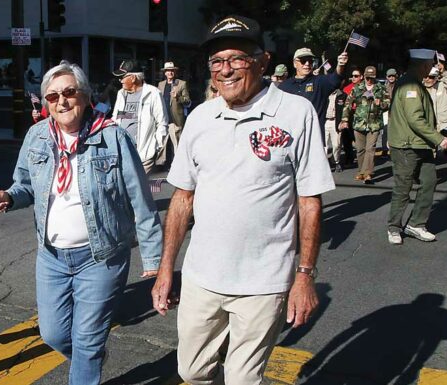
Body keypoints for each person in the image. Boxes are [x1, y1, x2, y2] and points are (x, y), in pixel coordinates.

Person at [151, 15, 335, 385]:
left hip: (264, 281)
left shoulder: (295, 113)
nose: (226, 70)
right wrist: (165, 268)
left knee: (242, 379)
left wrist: (305, 276)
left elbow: (309, 202)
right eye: (217, 62)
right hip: (202, 277)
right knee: (191, 370)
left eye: (237, 59)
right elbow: (182, 199)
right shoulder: (201, 118)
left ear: (262, 61)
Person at [0, 60, 162, 384]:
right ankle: (91, 356)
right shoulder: (37, 136)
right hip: (51, 256)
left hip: (102, 257)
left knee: (87, 338)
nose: (61, 101)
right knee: (53, 334)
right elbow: (24, 184)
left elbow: (141, 198)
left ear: (84, 95)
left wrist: (153, 257)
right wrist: (9, 197)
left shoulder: (112, 137)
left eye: (68, 92)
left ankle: (89, 358)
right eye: (52, 96)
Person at [387, 49, 447, 245]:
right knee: (403, 187)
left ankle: (416, 224)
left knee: (429, 181)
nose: (432, 68)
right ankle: (394, 227)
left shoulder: (415, 84)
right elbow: (415, 118)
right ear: (422, 65)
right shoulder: (410, 86)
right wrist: (438, 139)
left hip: (420, 144)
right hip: (407, 145)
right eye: (430, 65)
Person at [278, 47, 347, 144]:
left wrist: (340, 65)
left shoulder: (320, 82)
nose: (307, 64)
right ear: (295, 63)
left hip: (313, 140)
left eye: (310, 61)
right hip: (290, 139)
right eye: (303, 61)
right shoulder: (284, 86)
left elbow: (336, 78)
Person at [111, 59, 168, 174]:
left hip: (144, 154)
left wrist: (156, 146)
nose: (120, 80)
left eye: (122, 77)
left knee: (141, 189)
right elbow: (117, 117)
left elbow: (162, 122)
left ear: (132, 78)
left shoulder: (153, 93)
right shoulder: (121, 94)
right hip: (122, 151)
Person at [339, 66, 390, 184]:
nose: (369, 80)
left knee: (370, 149)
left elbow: (388, 104)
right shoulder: (357, 88)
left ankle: (368, 173)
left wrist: (380, 103)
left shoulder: (381, 89)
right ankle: (361, 171)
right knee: (360, 149)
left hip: (374, 124)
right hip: (359, 123)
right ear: (364, 77)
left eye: (371, 78)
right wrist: (345, 120)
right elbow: (347, 104)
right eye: (367, 78)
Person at [157, 61, 191, 164]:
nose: (170, 73)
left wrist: (178, 97)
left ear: (175, 72)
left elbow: (187, 101)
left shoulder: (181, 83)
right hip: (163, 118)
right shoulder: (161, 84)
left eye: (172, 71)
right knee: (162, 143)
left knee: (177, 143)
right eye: (168, 71)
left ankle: (178, 163)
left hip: (175, 118)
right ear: (165, 73)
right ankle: (161, 164)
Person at [423, 67, 447, 136]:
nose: (427, 79)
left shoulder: (442, 86)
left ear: (436, 78)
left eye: (431, 77)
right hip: (427, 125)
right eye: (425, 77)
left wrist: (443, 71)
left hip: (443, 125)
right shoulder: (420, 88)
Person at [381, 68, 398, 155]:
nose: (391, 77)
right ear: (387, 77)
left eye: (393, 76)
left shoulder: (400, 85)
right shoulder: (383, 87)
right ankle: (384, 148)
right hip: (386, 111)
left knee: (397, 130)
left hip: (397, 111)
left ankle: (395, 148)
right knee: (385, 130)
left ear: (396, 76)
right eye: (389, 76)